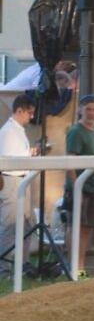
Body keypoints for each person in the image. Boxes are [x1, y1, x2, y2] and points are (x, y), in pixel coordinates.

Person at [64, 95, 94, 276]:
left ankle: (80, 267)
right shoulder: (76, 131)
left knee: (86, 229)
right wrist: (76, 188)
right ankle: (74, 267)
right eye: (88, 109)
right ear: (81, 109)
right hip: (80, 187)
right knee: (76, 227)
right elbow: (70, 161)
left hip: (93, 186)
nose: (92, 113)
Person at [0, 94, 37, 270]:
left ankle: (22, 263)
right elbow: (9, 161)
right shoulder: (7, 132)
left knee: (26, 224)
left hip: (20, 180)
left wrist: (29, 153)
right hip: (12, 180)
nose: (31, 116)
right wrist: (30, 154)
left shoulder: (16, 129)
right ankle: (4, 267)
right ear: (19, 110)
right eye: (29, 113)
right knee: (10, 225)